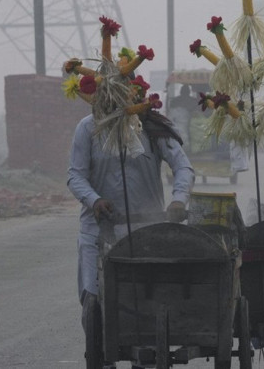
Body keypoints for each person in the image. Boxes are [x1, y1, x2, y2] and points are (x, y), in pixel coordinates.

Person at [68, 107, 194, 369]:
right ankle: (103, 358)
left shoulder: (153, 126)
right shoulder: (87, 128)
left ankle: (146, 358)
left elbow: (182, 166)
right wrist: (94, 200)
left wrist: (179, 199)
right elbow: (75, 176)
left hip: (146, 229)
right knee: (92, 300)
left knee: (148, 300)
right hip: (98, 228)